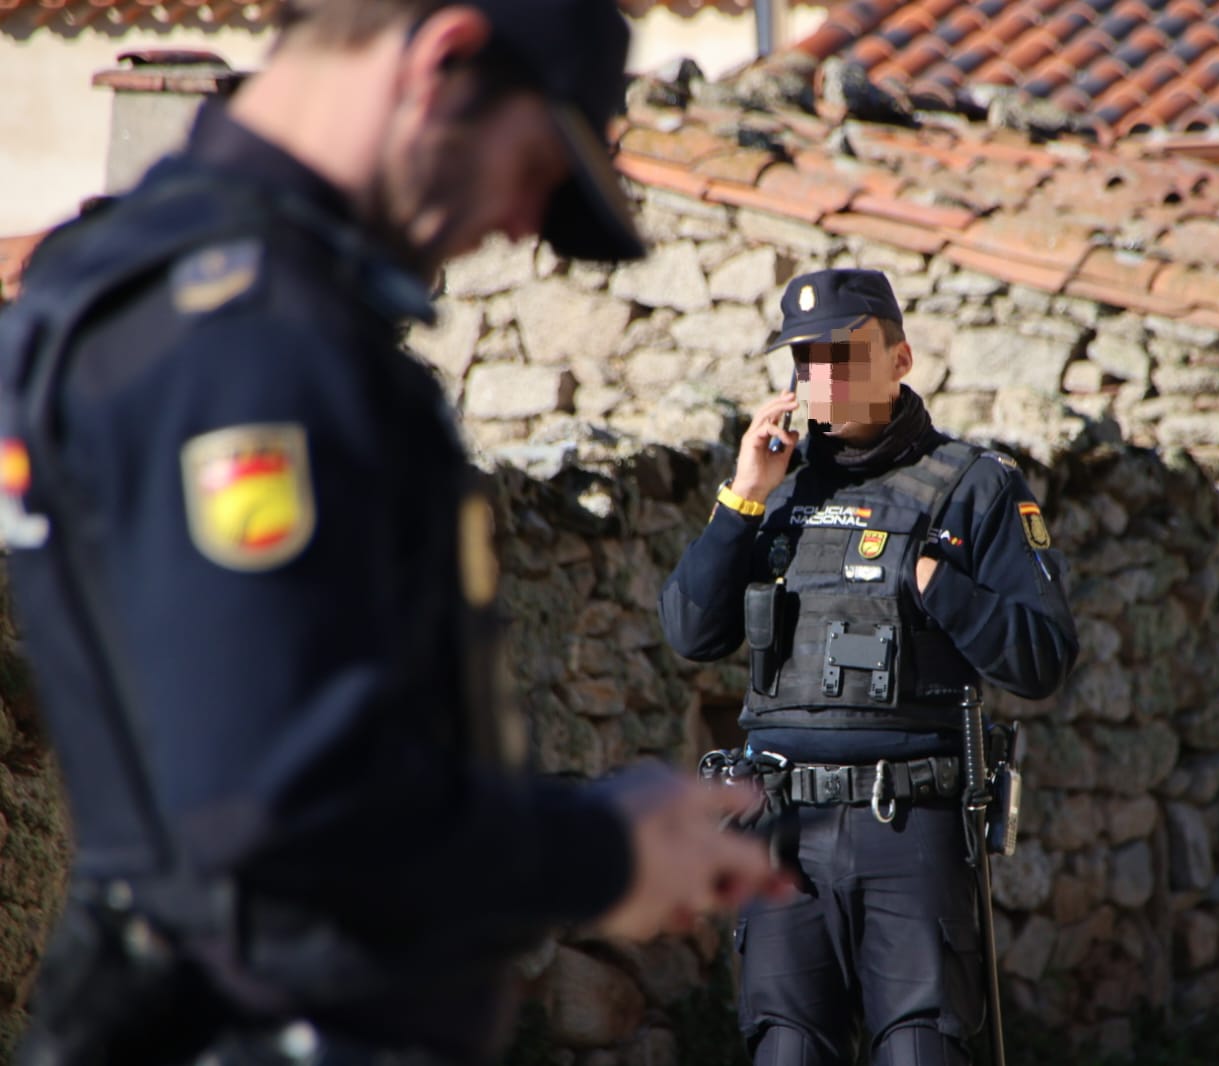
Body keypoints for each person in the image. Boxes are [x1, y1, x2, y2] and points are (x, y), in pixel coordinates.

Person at [0, 1, 780, 1063]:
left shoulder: (197, 291)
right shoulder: (243, 338)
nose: (519, 227)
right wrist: (602, 854)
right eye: (537, 170)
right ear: (446, 62)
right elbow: (272, 811)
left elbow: (317, 741)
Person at [659, 269, 1080, 1066]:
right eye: (806, 359)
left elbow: (1041, 659)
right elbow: (689, 631)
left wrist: (937, 586)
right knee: (786, 1051)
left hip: (910, 829)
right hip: (783, 829)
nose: (823, 377)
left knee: (921, 1050)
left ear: (899, 359)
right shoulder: (776, 487)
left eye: (845, 355)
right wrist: (742, 496)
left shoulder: (973, 488)